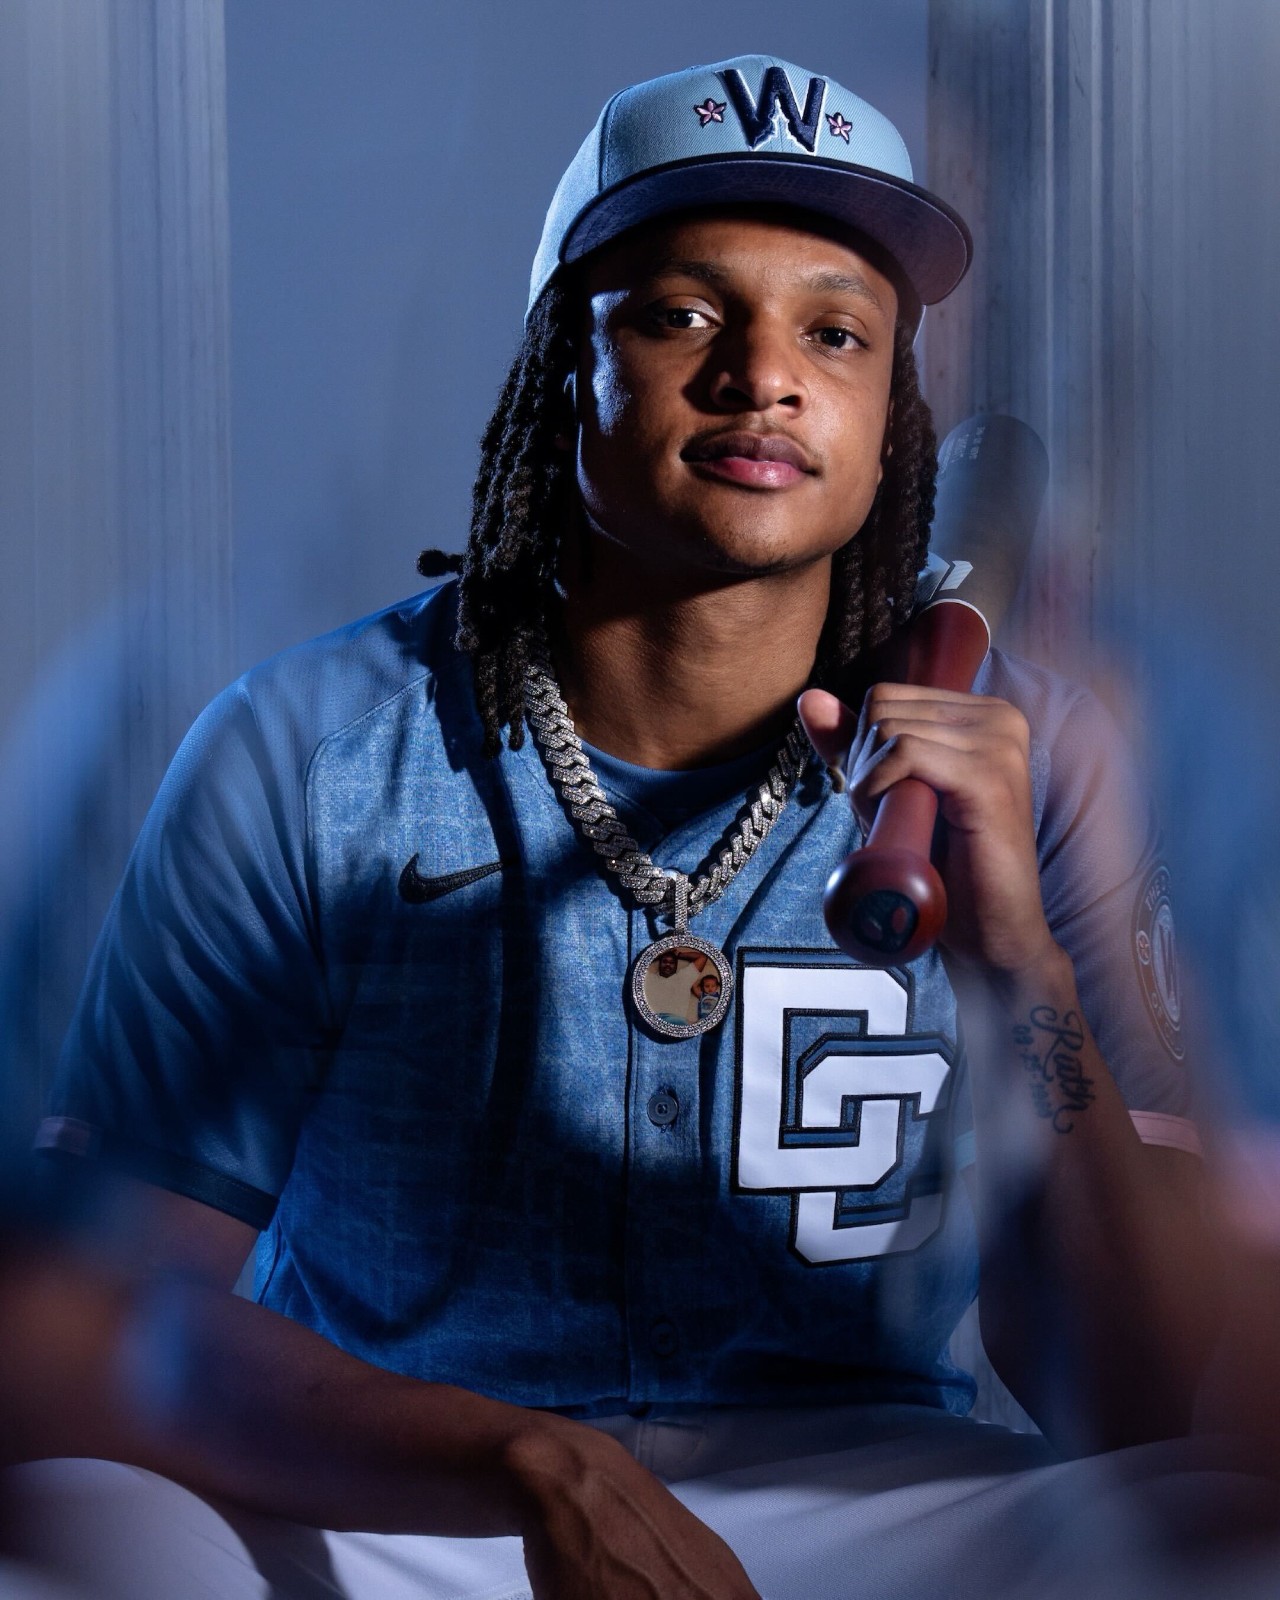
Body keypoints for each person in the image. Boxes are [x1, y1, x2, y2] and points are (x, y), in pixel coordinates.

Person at [16, 53, 1222, 1600]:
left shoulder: (1028, 757)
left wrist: (1017, 960)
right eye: (682, 315)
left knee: (1224, 1522)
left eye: (835, 332)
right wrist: (516, 1462)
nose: (764, 376)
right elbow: (138, 1326)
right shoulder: (299, 747)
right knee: (77, 1534)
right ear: (559, 367)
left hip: (875, 1495)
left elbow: (1149, 1396)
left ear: (889, 416)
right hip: (418, 1501)